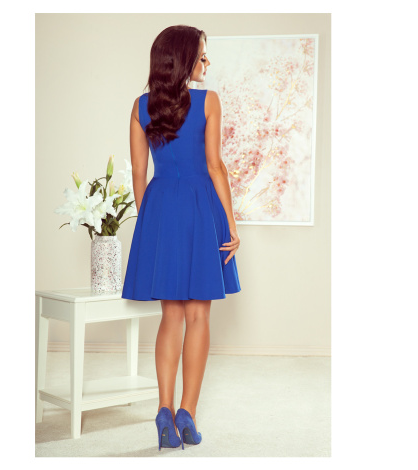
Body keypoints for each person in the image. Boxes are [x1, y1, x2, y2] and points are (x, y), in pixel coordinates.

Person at [121, 25, 241, 450]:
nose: (206, 63)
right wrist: (231, 224)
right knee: (198, 316)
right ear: (184, 59)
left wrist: (150, 222)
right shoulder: (209, 101)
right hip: (200, 208)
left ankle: (164, 410)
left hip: (161, 208)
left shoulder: (141, 107)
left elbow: (139, 174)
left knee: (170, 316)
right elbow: (214, 166)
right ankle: (188, 412)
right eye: (202, 56)